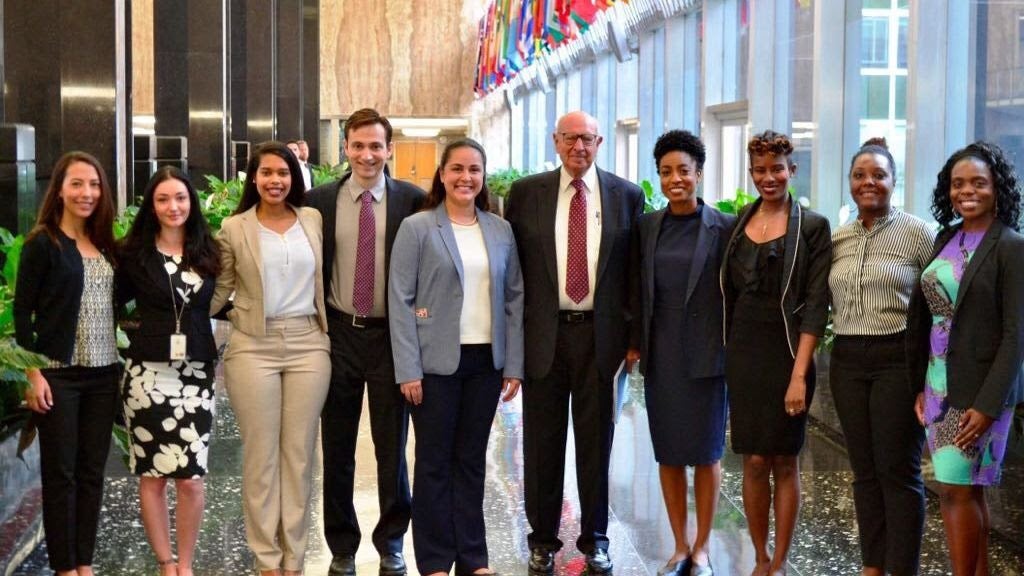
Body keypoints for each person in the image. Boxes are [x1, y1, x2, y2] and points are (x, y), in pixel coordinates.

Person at [506, 110, 643, 575]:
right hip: (544, 336)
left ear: (600, 141)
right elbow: (514, 272)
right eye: (569, 138)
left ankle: (596, 539)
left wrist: (632, 338)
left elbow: (633, 274)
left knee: (595, 444)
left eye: (587, 139)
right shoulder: (526, 194)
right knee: (542, 447)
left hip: (600, 338)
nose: (578, 147)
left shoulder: (627, 195)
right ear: (555, 141)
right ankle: (542, 539)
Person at [388, 138, 524, 576]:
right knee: (432, 463)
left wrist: (514, 365)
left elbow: (514, 299)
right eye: (458, 169)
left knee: (471, 462)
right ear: (442, 175)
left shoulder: (500, 230)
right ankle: (432, 560)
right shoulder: (419, 228)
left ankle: (473, 558)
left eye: (475, 170)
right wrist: (408, 368)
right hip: (434, 365)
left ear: (483, 177)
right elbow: (400, 300)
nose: (466, 177)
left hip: (486, 362)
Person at [306, 108, 423, 576]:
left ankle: (392, 541)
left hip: (391, 339)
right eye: (358, 145)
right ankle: (341, 544)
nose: (367, 154)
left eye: (376, 146)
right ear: (346, 149)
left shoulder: (412, 201)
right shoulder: (318, 201)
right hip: (337, 335)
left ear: (388, 149)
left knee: (392, 447)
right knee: (335, 446)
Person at [211, 141, 331, 576]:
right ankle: (266, 559)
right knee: (260, 456)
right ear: (253, 179)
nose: (275, 180)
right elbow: (220, 288)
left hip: (308, 342)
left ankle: (294, 558)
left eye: (283, 173)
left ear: (294, 177)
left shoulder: (312, 219)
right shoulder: (234, 226)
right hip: (252, 345)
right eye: (266, 173)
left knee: (298, 456)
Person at [907, 141, 1024, 576]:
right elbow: (931, 318)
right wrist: (922, 385)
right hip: (939, 386)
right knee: (966, 491)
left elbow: (1016, 334)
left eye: (978, 183)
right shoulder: (947, 237)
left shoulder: (1011, 246)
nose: (966, 191)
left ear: (997, 188)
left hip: (980, 394)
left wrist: (989, 405)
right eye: (958, 184)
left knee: (955, 492)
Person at [720, 131, 831, 576]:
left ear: (792, 170)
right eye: (761, 170)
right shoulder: (735, 224)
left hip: (788, 354)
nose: (770, 178)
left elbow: (817, 304)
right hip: (744, 354)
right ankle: (760, 556)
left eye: (778, 168)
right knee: (753, 459)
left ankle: (780, 560)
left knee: (784, 459)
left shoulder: (813, 227)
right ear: (751, 173)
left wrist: (799, 376)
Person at [630, 130, 733, 576]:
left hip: (708, 356)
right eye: (667, 172)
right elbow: (636, 289)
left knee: (708, 454)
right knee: (669, 453)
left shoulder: (725, 226)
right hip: (663, 354)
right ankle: (679, 545)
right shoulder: (647, 226)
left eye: (684, 171)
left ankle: (704, 548)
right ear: (659, 176)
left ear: (699, 174)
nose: (676, 179)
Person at [828, 138, 933, 576]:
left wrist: (933, 378)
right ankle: (873, 564)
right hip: (848, 358)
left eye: (879, 175)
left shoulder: (918, 233)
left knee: (898, 470)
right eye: (860, 175)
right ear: (851, 182)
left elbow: (940, 301)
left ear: (894, 182)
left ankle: (901, 567)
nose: (869, 182)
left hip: (897, 357)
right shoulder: (837, 238)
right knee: (864, 470)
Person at [14, 151, 119, 576]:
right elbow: (22, 313)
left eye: (93, 185)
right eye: (77, 184)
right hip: (59, 374)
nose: (86, 193)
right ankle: (63, 567)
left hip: (104, 374)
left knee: (92, 473)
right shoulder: (43, 242)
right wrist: (33, 373)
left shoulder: (106, 243)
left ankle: (84, 562)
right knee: (61, 475)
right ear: (59, 188)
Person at [117, 166, 222, 576]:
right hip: (146, 376)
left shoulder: (208, 251)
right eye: (162, 199)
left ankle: (188, 563)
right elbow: (108, 302)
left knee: (191, 477)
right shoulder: (133, 254)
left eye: (180, 198)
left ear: (191, 203)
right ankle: (165, 562)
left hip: (196, 374)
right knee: (153, 476)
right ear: (151, 205)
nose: (172, 206)